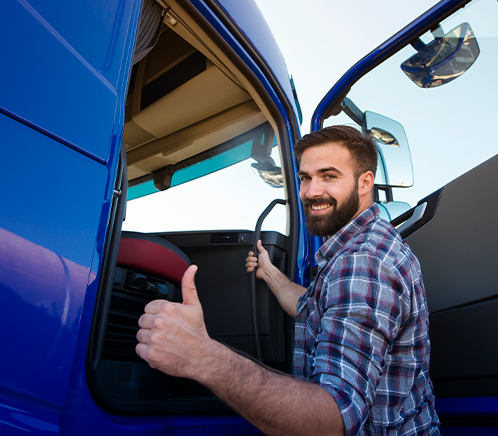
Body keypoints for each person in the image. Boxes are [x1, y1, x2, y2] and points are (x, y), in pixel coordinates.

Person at [136, 125, 440, 435]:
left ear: (365, 183)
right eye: (305, 178)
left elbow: (332, 419)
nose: (311, 191)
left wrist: (201, 357)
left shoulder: (363, 262)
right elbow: (312, 308)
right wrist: (269, 272)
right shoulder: (359, 246)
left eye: (329, 176)